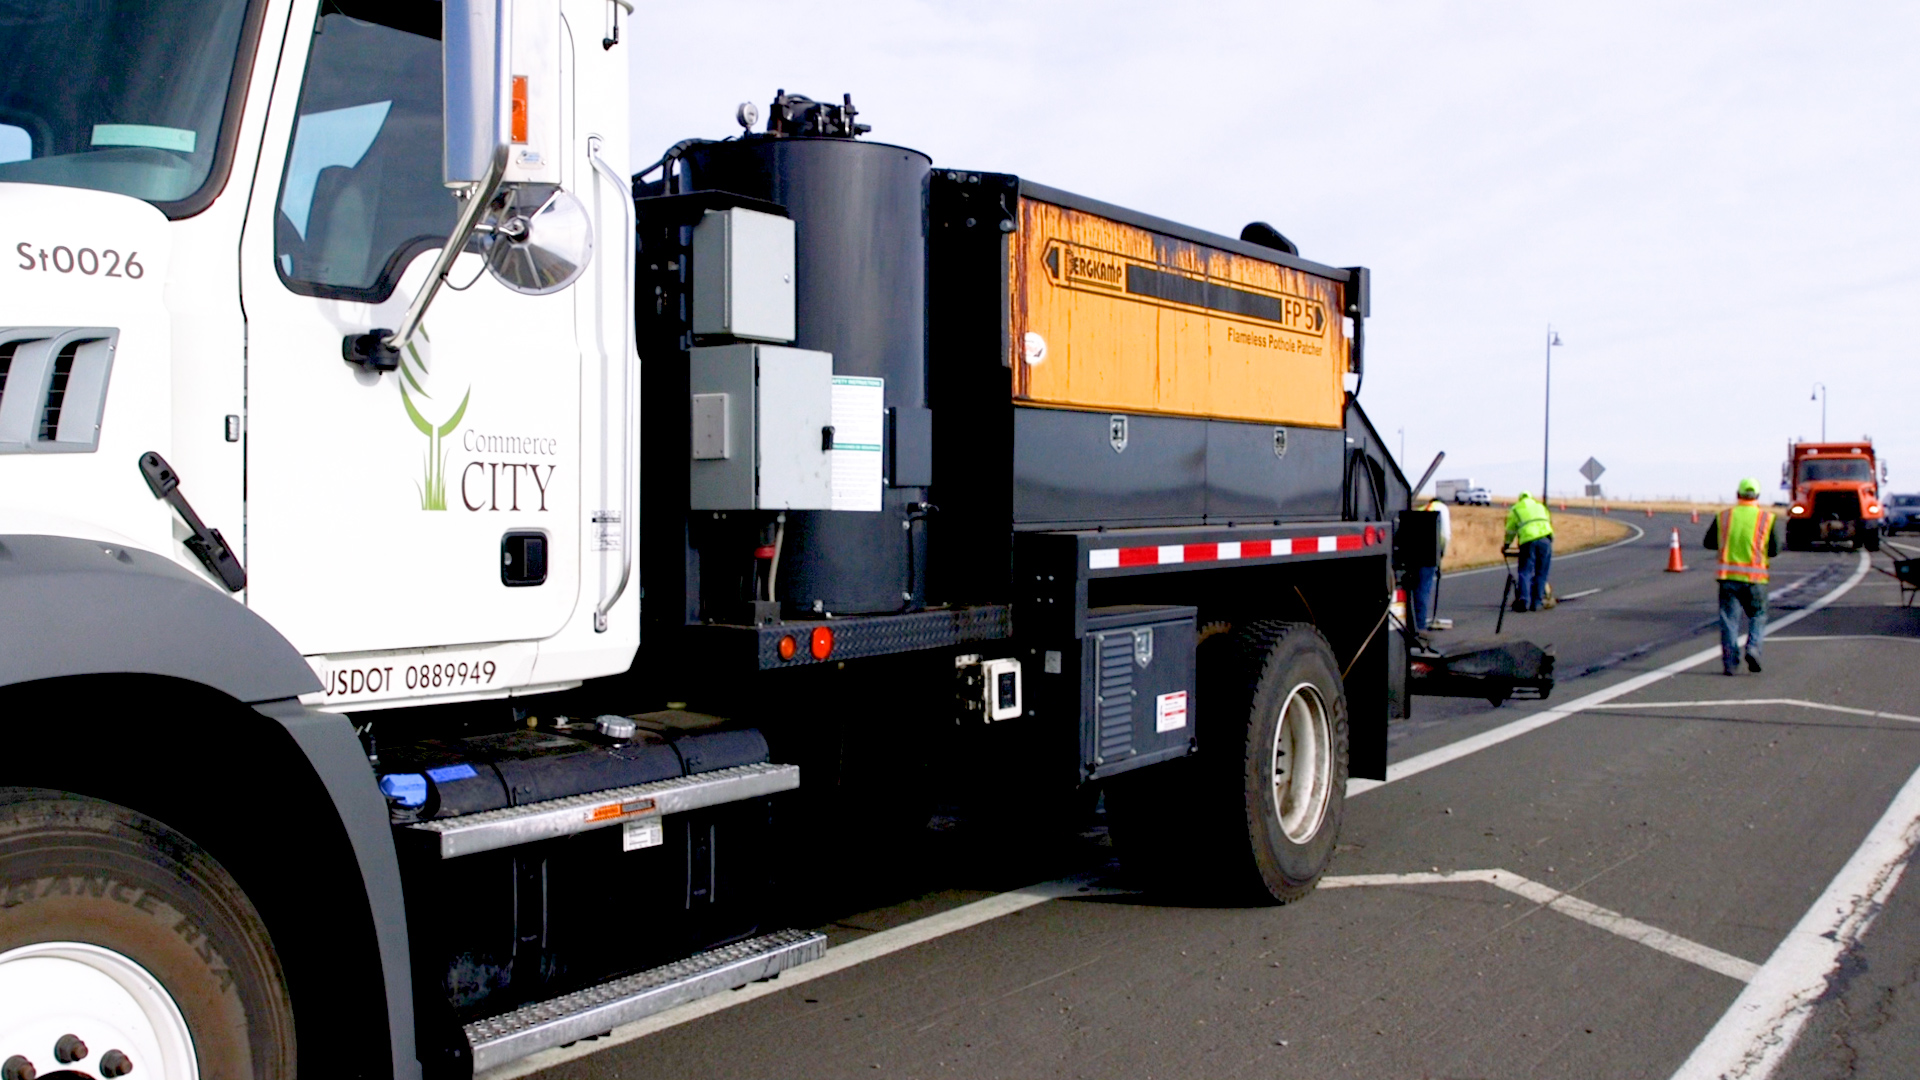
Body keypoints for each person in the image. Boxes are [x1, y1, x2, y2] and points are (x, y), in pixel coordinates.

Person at [1702, 477, 1779, 675]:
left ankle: (1730, 663)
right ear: (1758, 497)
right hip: (1755, 580)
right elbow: (1774, 549)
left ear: (1738, 495)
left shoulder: (1724, 517)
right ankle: (1753, 648)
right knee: (1758, 616)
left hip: (1728, 578)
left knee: (1729, 621)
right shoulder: (1766, 518)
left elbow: (1709, 542)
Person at [1504, 491, 1554, 612]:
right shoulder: (1540, 506)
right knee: (1541, 572)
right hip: (1545, 539)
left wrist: (1506, 544)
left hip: (1528, 540)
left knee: (1525, 571)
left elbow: (1510, 529)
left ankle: (1524, 601)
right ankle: (1537, 602)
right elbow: (1548, 521)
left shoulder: (1516, 509)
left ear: (1520, 499)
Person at [1411, 496, 1451, 631]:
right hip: (1429, 554)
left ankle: (1411, 622)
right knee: (1423, 589)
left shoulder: (1422, 509)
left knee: (1414, 589)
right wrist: (1441, 555)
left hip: (1414, 553)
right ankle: (1420, 625)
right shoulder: (1442, 509)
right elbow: (1445, 535)